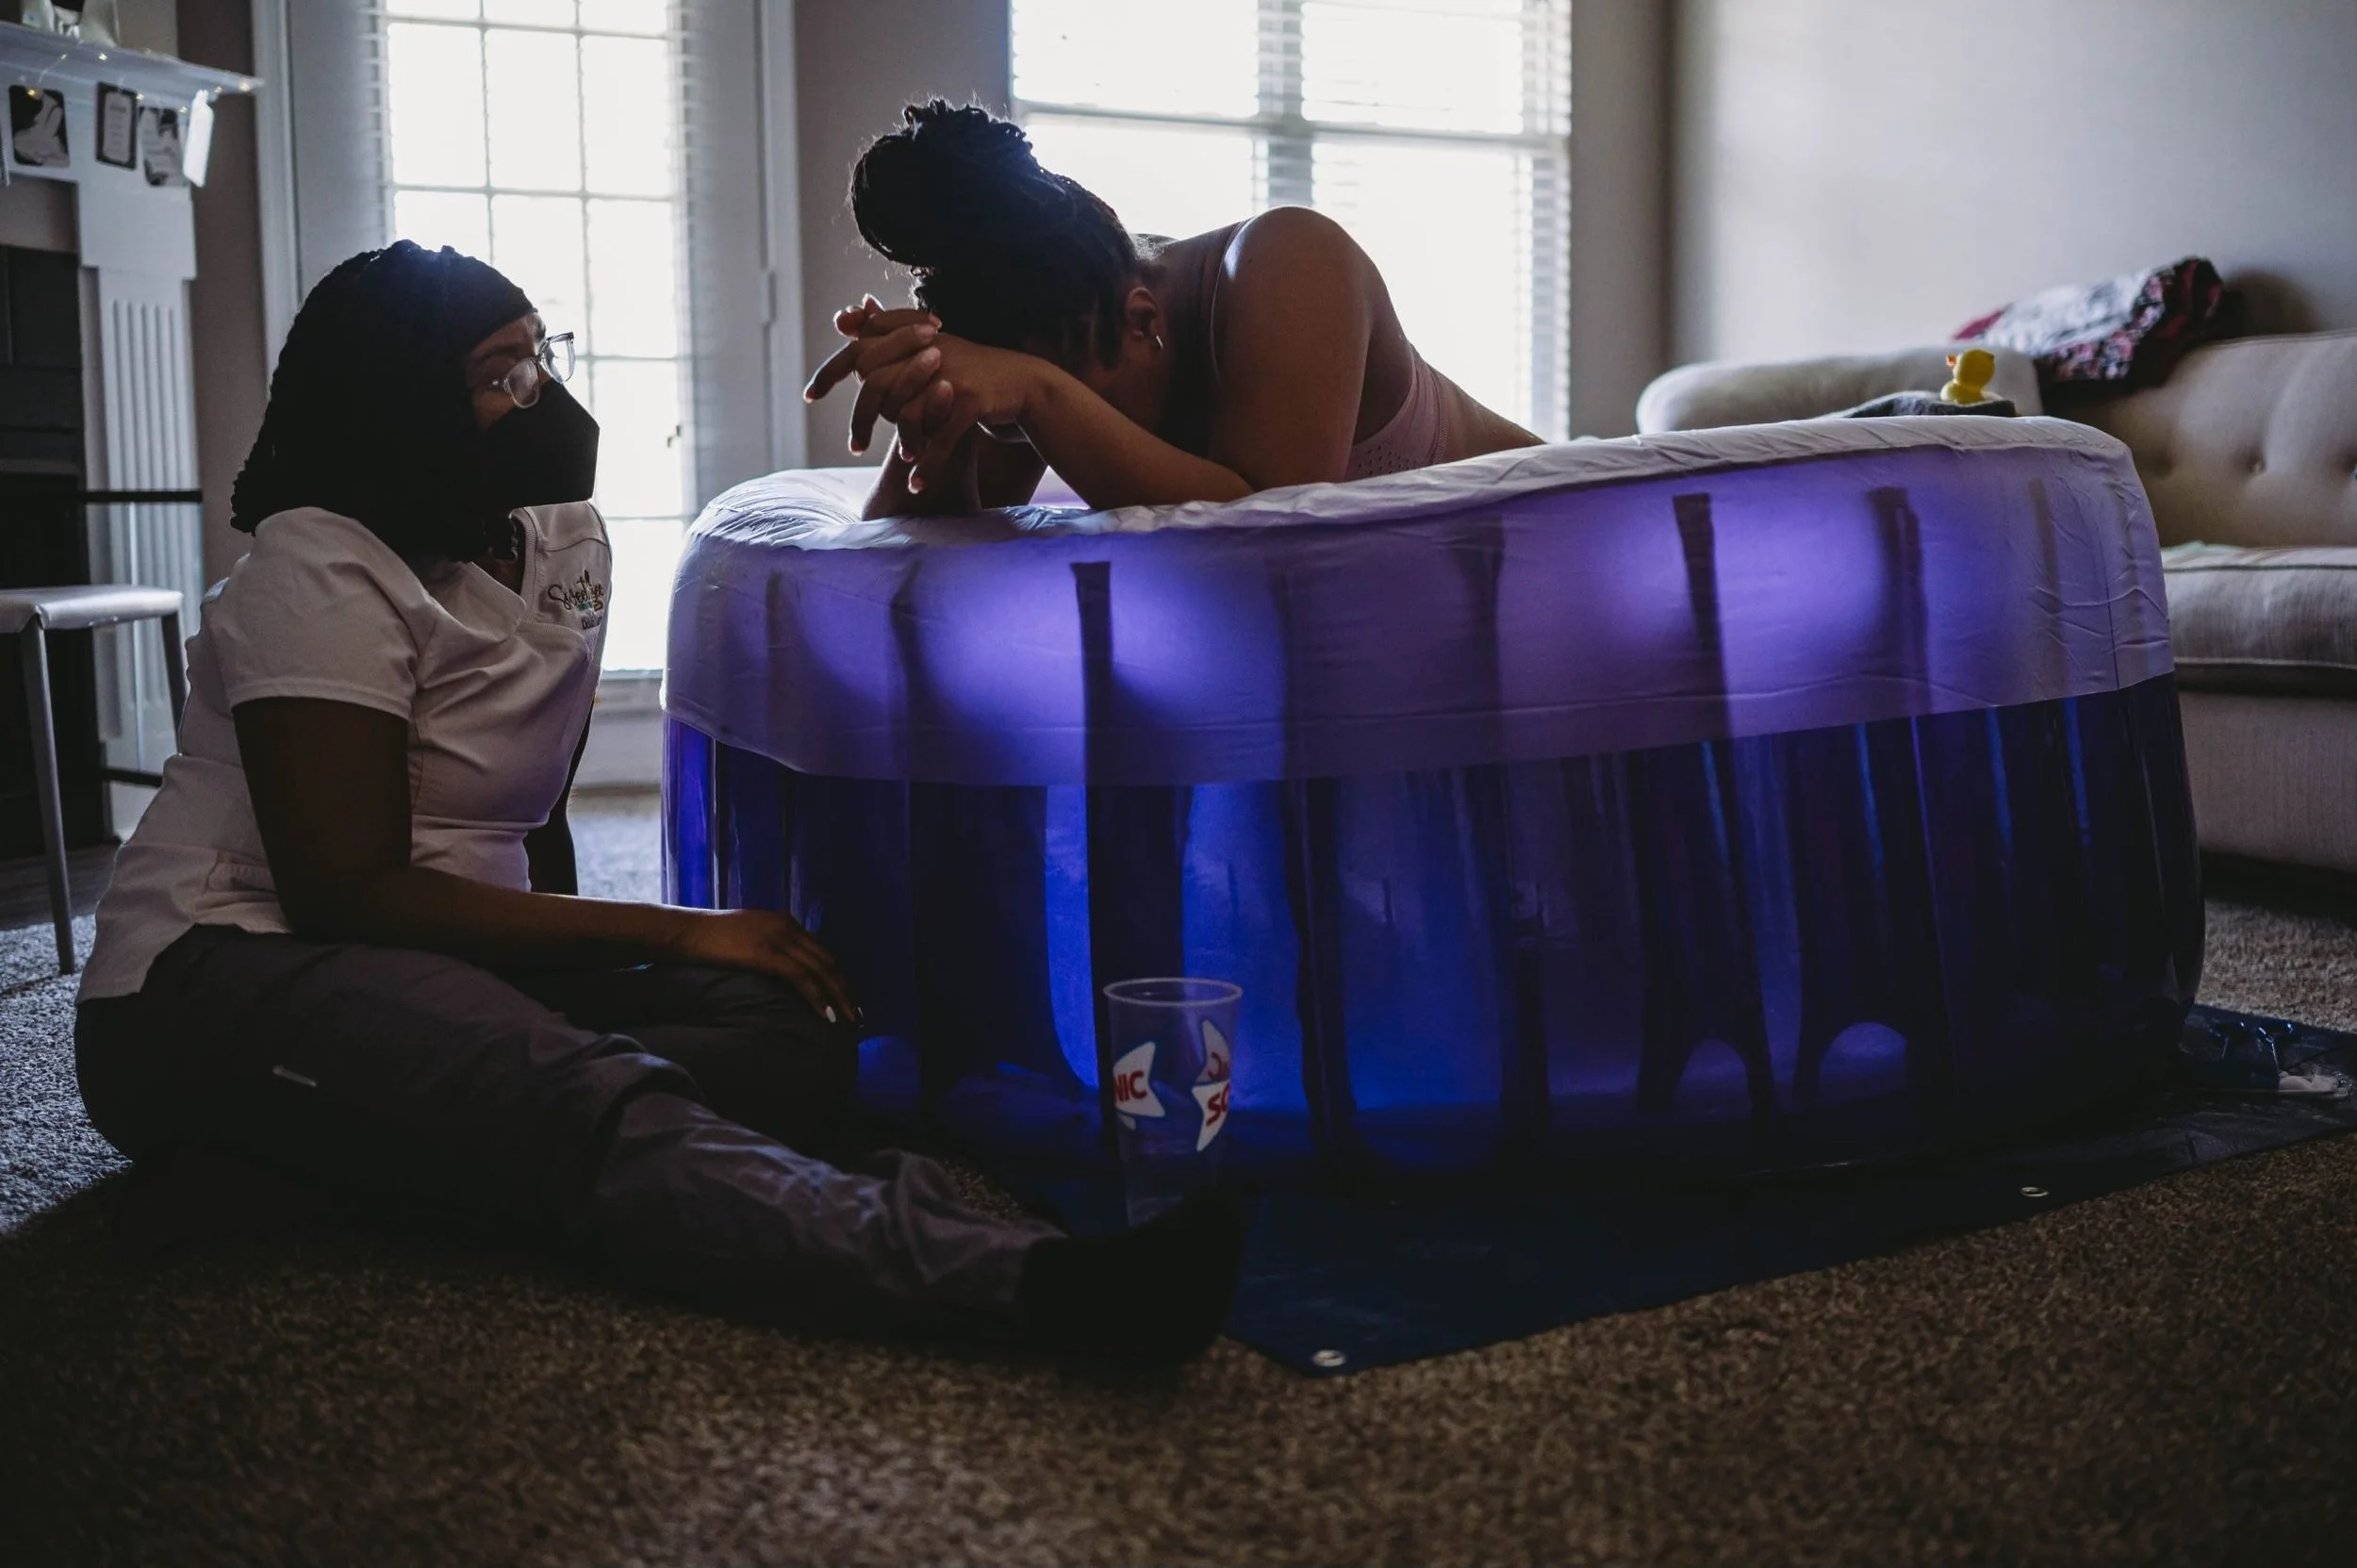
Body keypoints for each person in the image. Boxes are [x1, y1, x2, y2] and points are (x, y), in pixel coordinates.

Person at [72, 240, 1242, 1363]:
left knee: (797, 1025)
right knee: (579, 1095)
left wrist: (599, 973)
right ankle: (1025, 1282)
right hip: (222, 974)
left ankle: (385, 1139)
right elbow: (348, 891)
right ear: (395, 402)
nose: (542, 398)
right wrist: (677, 932)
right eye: (498, 375)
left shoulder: (555, 542)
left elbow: (530, 810)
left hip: (442, 957)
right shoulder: (315, 565)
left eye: (542, 355)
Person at [803, 100, 1545, 520]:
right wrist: (931, 404)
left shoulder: (1291, 263)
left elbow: (1267, 534)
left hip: (1561, 558)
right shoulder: (1052, 328)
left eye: (1061, 394)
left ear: (1142, 319)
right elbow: (918, 561)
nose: (1045, 420)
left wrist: (1037, 390)